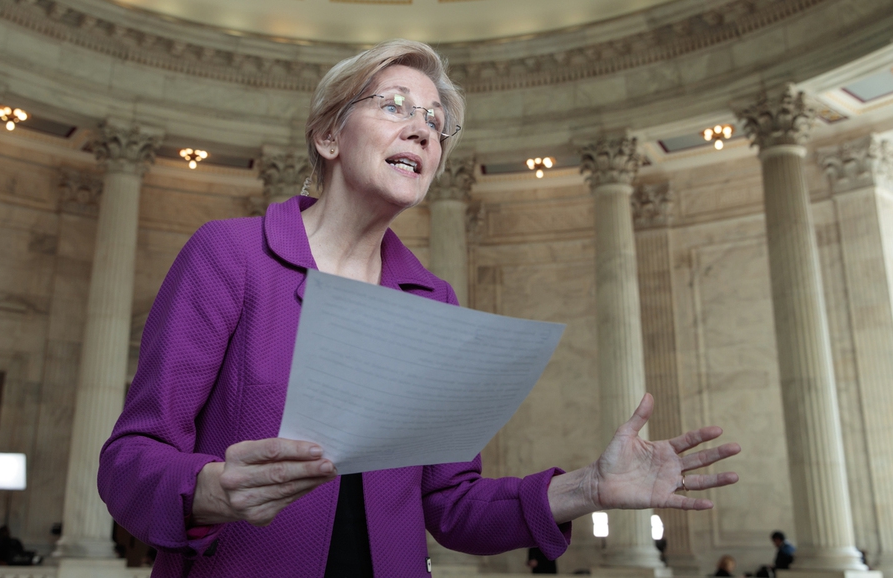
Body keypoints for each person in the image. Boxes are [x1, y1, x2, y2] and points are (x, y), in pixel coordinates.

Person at [98, 39, 740, 577]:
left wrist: (586, 488)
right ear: (328, 135)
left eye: (436, 123)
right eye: (396, 107)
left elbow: (452, 505)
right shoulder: (230, 255)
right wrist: (207, 490)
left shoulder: (433, 300)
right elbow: (129, 462)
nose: (422, 130)